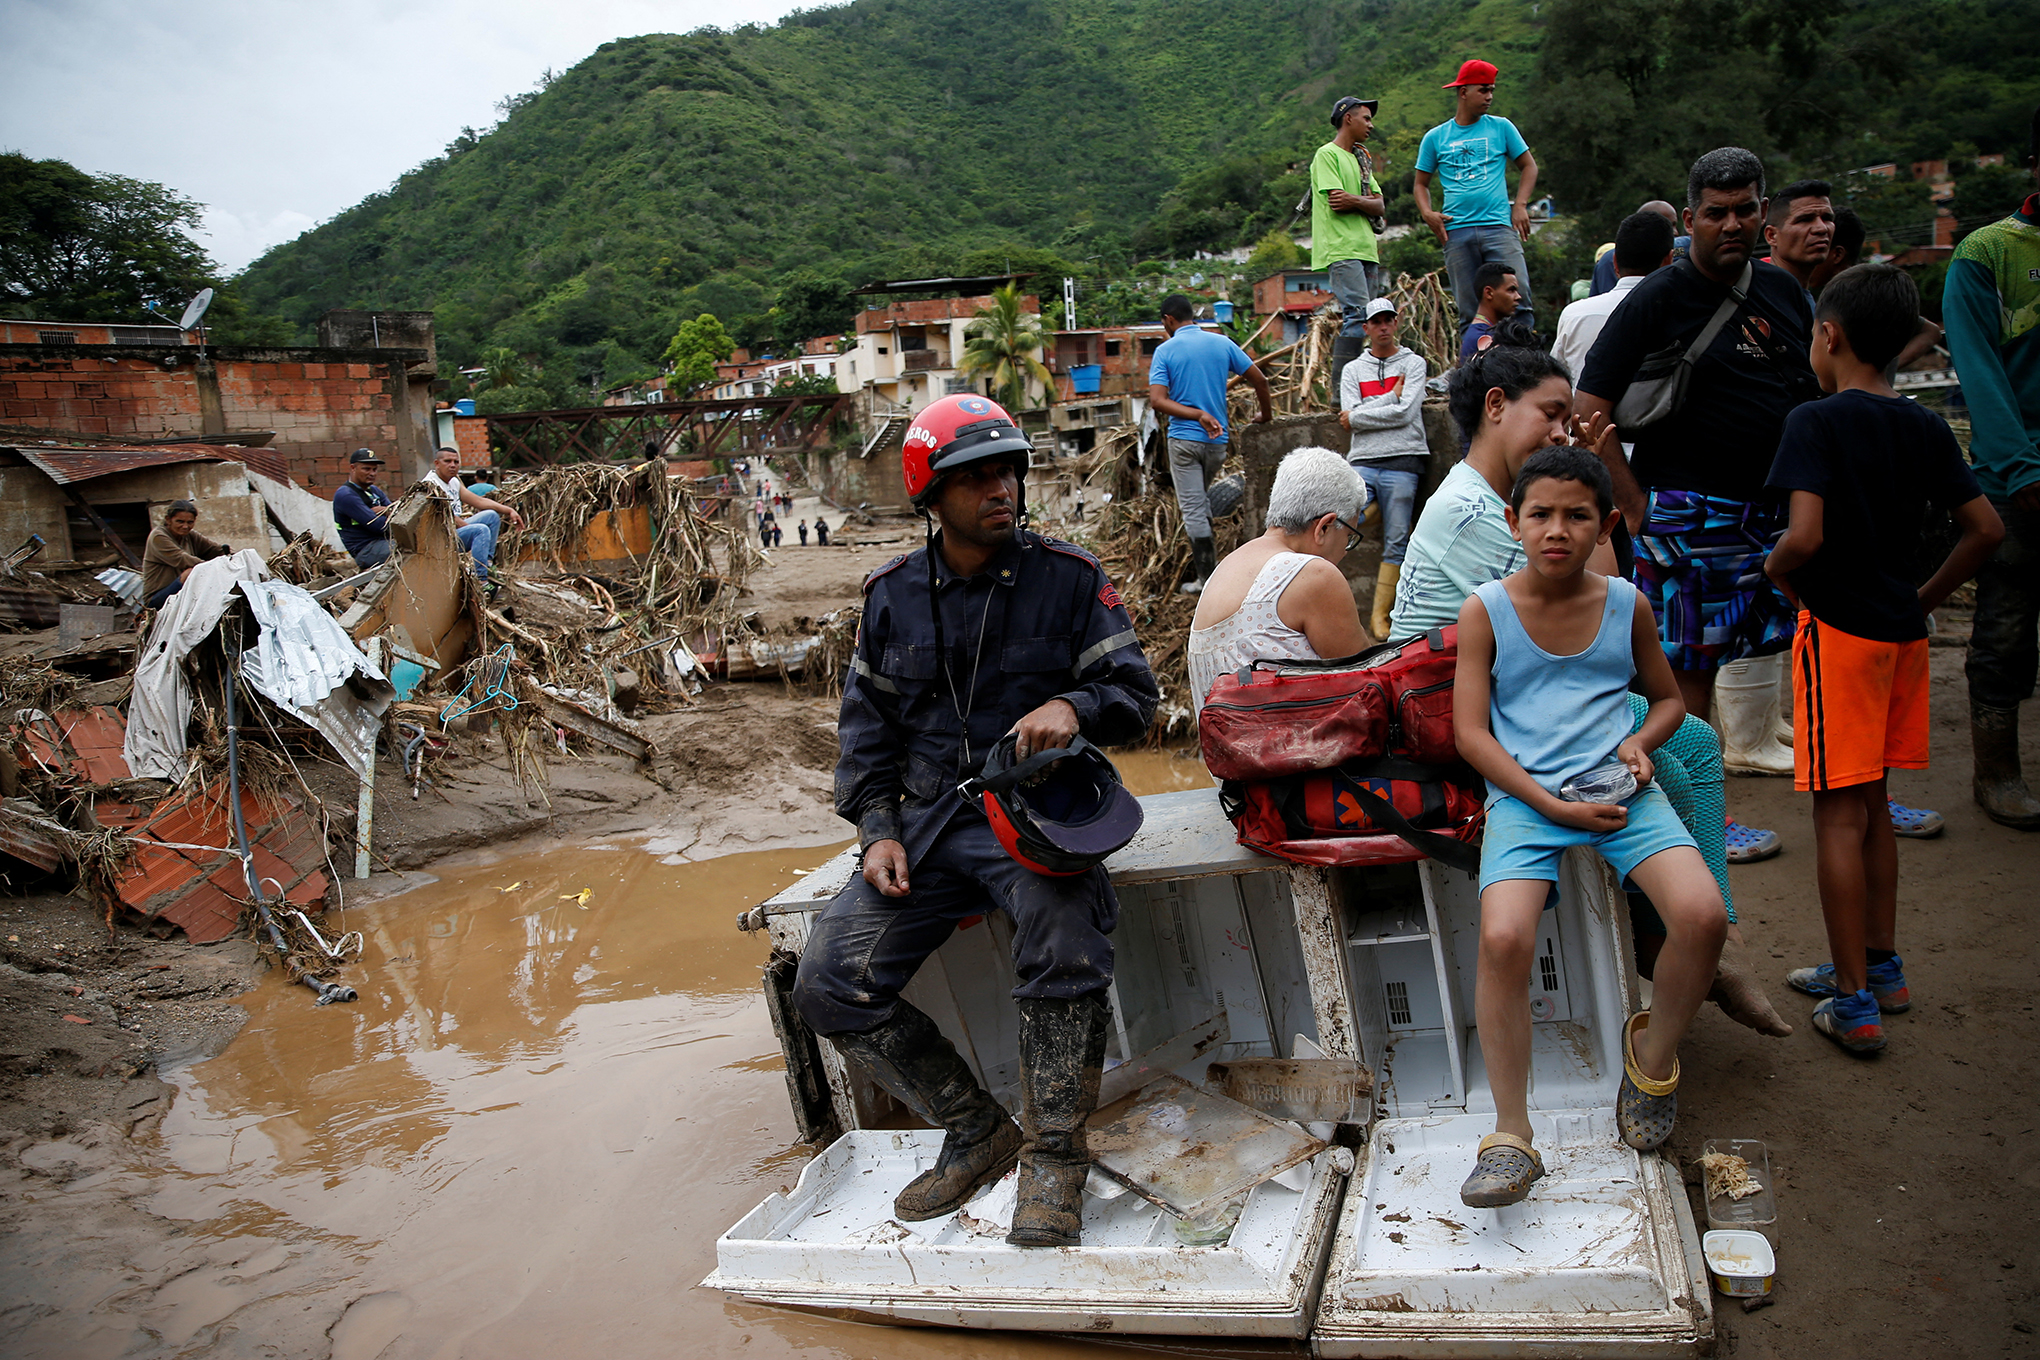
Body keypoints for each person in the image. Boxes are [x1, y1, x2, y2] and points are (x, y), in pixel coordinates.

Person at [792, 393, 1158, 1250]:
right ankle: (973, 1128)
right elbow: (865, 731)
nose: (1000, 488)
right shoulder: (890, 598)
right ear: (932, 493)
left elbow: (1137, 698)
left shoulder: (1068, 579)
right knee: (826, 982)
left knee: (1064, 934)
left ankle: (1055, 1160)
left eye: (1007, 471)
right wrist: (876, 827)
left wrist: (1074, 702)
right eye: (976, 476)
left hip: (1035, 817)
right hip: (924, 824)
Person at [1392, 331, 1791, 1036]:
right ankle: (1692, 941)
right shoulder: (1478, 512)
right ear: (1495, 405)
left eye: (1567, 419)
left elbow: (1596, 614)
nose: (1562, 429)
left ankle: (1702, 935)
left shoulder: (1490, 494)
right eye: (1551, 413)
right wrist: (1591, 470)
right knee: (1682, 750)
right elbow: (1597, 596)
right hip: (1471, 698)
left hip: (1524, 679)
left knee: (1684, 739)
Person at [1453, 444, 1726, 1206]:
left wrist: (1640, 744)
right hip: (1526, 802)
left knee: (1702, 917)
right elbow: (1471, 734)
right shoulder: (1487, 610)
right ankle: (1511, 1134)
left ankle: (1652, 1057)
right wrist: (1546, 805)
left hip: (1619, 794)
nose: (1557, 530)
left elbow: (1668, 699)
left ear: (1605, 524)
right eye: (1540, 513)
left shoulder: (1625, 603)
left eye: (1578, 515)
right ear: (1513, 520)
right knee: (1504, 937)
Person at [1763, 264, 2004, 1050]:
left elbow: (1804, 536)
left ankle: (1855, 1001)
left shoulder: (1816, 421)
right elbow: (1986, 531)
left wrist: (1774, 570)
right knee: (1873, 808)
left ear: (1828, 336)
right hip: (1900, 638)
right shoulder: (1926, 426)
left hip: (1838, 636)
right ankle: (1880, 967)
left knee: (1836, 811)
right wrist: (1922, 599)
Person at [1573, 148, 1819, 826]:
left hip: (1777, 514)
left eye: (1744, 210)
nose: (1730, 224)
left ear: (1762, 214)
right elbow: (1588, 406)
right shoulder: (1659, 297)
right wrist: (1633, 504)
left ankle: (1843, 797)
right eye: (1716, 213)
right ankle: (1700, 822)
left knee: (1794, 651)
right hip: (1687, 516)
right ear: (1690, 219)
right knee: (1685, 680)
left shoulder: (1784, 291)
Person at [1943, 106, 2040, 829]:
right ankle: (1996, 771)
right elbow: (1980, 373)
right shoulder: (1988, 253)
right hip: (2017, 481)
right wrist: (2022, 467)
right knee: (2005, 627)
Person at [1187, 447, 1371, 714]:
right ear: (1325, 527)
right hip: (1299, 753)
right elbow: (1368, 685)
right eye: (1349, 538)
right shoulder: (1312, 575)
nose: (1345, 551)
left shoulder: (1226, 567)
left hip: (1227, 754)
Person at [1148, 295, 1274, 593]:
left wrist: (1197, 414)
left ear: (1168, 319)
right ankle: (1211, 572)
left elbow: (1157, 400)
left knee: (1192, 509)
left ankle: (1208, 583)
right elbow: (1261, 381)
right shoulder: (1222, 343)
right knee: (1200, 500)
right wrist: (1265, 416)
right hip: (1218, 444)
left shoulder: (1165, 351)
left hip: (1184, 442)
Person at [1413, 59, 1539, 337]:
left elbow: (1529, 166)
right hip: (1456, 233)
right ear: (1463, 92)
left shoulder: (1501, 127)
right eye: (1483, 90)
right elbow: (1421, 184)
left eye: (1492, 90)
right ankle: (1476, 371)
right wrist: (1427, 213)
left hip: (1498, 227)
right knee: (1470, 310)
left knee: (1520, 300)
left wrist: (1519, 205)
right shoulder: (1435, 137)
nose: (1490, 96)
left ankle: (1528, 366)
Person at [1339, 298, 1427, 638]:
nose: (1384, 326)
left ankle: (1381, 618)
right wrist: (1391, 397)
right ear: (1366, 328)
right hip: (1362, 460)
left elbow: (1406, 414)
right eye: (1377, 322)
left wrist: (1363, 413)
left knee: (1397, 540)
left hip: (1404, 459)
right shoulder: (1352, 370)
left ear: (1396, 323)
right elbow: (1350, 419)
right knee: (1344, 518)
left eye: (1389, 320)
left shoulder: (1414, 363)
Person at [1314, 95, 1388, 392]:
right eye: (1366, 118)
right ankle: (1340, 391)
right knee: (1357, 316)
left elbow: (1380, 205)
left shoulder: (1361, 159)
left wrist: (1358, 200)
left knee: (1370, 319)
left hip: (1366, 248)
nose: (1371, 125)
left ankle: (1361, 386)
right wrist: (1365, 201)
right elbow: (1337, 202)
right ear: (1348, 118)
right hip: (1341, 247)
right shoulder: (1327, 154)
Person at [1553, 210, 1676, 380]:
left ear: (1615, 262)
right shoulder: (1682, 315)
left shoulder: (1574, 315)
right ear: (1669, 261)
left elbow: (1554, 378)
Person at [424, 446, 523, 577]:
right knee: (481, 530)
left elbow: (479, 501)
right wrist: (476, 535)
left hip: (456, 530)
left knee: (492, 516)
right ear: (437, 463)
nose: (453, 465)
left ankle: (487, 563)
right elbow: (451, 519)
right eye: (447, 461)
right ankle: (481, 579)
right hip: (443, 536)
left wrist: (509, 510)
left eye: (456, 462)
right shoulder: (430, 484)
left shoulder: (453, 481)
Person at [1759, 179, 1836, 308]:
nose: (1822, 228)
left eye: (1827, 218)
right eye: (1805, 220)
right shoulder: (1754, 296)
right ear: (1771, 236)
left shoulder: (1806, 302)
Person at [142, 500, 229, 608]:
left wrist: (234, 559)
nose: (185, 526)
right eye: (180, 521)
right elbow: (183, 559)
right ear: (168, 520)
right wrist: (216, 568)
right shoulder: (158, 537)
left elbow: (216, 549)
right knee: (191, 572)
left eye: (190, 522)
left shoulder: (190, 536)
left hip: (182, 592)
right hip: (157, 599)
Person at [1589, 200, 1681, 296]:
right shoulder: (1608, 261)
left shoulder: (1680, 250)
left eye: (1674, 225)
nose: (1675, 232)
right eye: (1668, 227)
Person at [333, 448, 396, 568]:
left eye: (374, 469)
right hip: (366, 550)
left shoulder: (374, 491)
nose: (372, 473)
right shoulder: (346, 495)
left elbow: (397, 513)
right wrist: (388, 513)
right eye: (366, 469)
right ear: (353, 468)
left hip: (384, 543)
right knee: (409, 550)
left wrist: (386, 511)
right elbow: (380, 526)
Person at [1458, 262, 1520, 361]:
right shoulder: (1483, 339)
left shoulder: (1486, 333)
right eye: (1511, 290)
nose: (1518, 297)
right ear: (1489, 293)